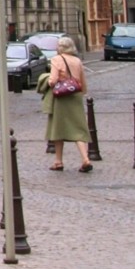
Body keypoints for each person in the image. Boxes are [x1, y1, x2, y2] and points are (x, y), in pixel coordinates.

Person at [41, 36, 91, 171]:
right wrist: (81, 93)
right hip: (75, 96)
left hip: (61, 98)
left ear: (60, 48)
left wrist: (46, 80)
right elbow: (82, 81)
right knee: (78, 128)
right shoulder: (77, 60)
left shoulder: (56, 60)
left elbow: (53, 80)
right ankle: (85, 158)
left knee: (58, 129)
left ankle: (58, 161)